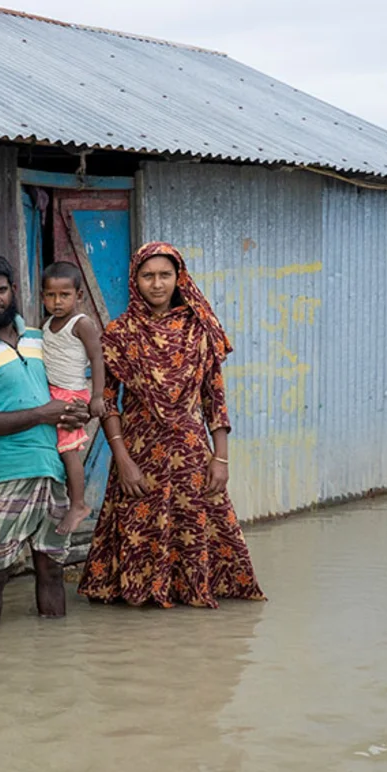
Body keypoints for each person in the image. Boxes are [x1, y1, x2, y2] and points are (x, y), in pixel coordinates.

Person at [77, 242, 265, 608]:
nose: (157, 284)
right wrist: (123, 460)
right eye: (148, 276)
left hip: (191, 455)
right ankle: (139, 594)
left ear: (180, 278)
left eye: (165, 275)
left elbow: (215, 398)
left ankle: (192, 590)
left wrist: (221, 458)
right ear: (136, 280)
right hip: (138, 454)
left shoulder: (200, 331)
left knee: (196, 524)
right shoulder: (119, 334)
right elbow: (108, 403)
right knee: (139, 525)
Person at [0, 254, 88, 627]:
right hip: (7, 477)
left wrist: (74, 411)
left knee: (52, 571)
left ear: (14, 290)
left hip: (53, 469)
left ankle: (55, 659)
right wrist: (43, 414)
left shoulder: (39, 338)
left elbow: (63, 391)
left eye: (0, 290)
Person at [38, 261, 108, 535]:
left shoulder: (82, 324)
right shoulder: (46, 325)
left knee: (69, 453)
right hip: (51, 393)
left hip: (70, 394)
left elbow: (97, 358)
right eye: (50, 295)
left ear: (79, 296)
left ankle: (79, 504)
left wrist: (98, 396)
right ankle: (59, 501)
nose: (57, 301)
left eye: (64, 295)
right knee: (55, 451)